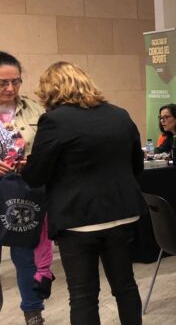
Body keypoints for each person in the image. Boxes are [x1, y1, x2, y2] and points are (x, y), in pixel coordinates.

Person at [22, 61, 145, 325]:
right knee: (126, 287)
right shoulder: (120, 114)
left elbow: (36, 176)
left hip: (77, 220)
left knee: (83, 296)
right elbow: (137, 165)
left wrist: (27, 166)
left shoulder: (54, 121)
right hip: (122, 215)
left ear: (51, 89)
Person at [0, 51, 53, 325]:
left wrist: (35, 161)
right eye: (2, 83)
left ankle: (33, 313)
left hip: (24, 194)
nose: (10, 89)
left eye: (16, 81)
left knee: (25, 257)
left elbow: (47, 148)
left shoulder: (35, 109)